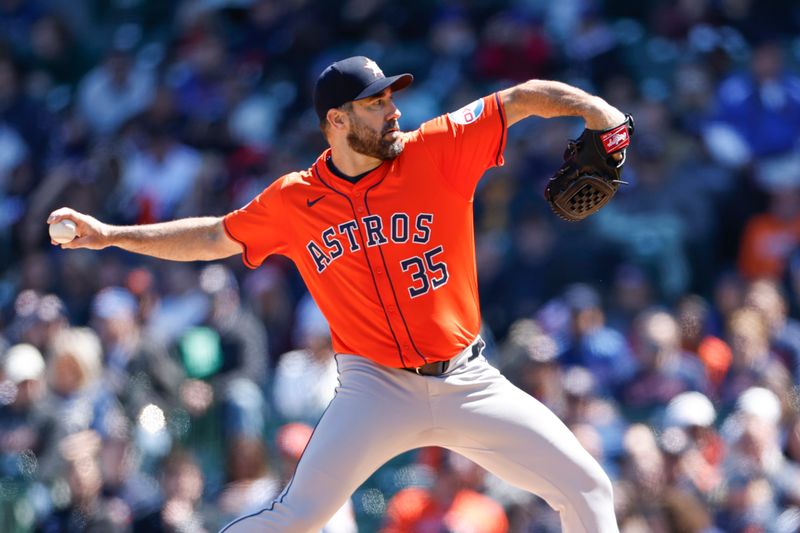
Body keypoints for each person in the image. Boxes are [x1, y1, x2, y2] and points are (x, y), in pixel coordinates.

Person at [47, 55, 627, 532]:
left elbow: (521, 97)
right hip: (374, 388)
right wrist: (111, 235)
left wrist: (595, 110)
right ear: (338, 122)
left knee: (586, 488)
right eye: (376, 103)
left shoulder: (437, 148)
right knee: (295, 516)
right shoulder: (295, 200)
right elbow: (212, 236)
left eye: (391, 98)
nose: (393, 110)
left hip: (467, 380)